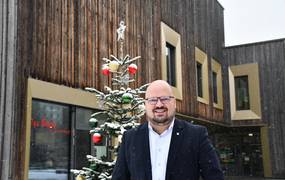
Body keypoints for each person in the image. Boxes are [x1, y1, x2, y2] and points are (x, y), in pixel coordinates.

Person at [112, 80, 224, 180]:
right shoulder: (130, 138)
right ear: (145, 105)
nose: (159, 104)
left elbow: (214, 176)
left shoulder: (196, 136)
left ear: (174, 103)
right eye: (153, 100)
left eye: (165, 99)